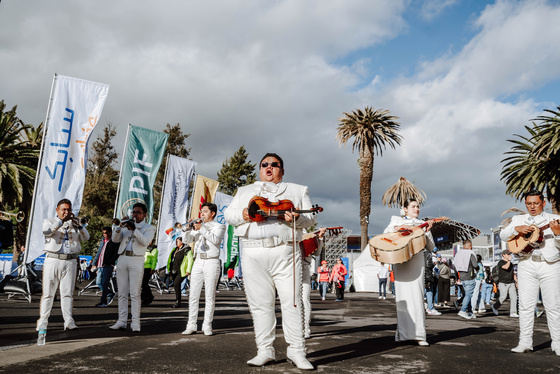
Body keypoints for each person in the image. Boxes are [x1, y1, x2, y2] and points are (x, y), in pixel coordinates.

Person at [224, 153, 315, 370]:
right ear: (260, 169)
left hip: (285, 251)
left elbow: (311, 217)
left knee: (292, 301)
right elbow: (229, 215)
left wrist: (297, 218)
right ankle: (265, 350)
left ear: (282, 170)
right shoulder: (245, 191)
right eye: (265, 164)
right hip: (252, 252)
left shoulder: (297, 190)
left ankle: (297, 350)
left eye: (275, 165)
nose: (269, 168)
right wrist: (245, 214)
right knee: (260, 304)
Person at [499, 190, 560, 354]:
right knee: (525, 305)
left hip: (551, 265)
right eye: (528, 203)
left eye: (536, 203)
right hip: (526, 264)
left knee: (553, 306)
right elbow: (503, 235)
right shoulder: (518, 219)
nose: (532, 207)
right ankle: (525, 342)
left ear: (543, 203)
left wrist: (557, 235)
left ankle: (558, 343)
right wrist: (516, 229)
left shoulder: (556, 220)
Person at [383, 198, 435, 346]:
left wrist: (428, 232)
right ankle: (403, 334)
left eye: (418, 206)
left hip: (417, 262)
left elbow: (431, 247)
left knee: (418, 297)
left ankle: (420, 335)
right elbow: (386, 235)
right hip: (401, 262)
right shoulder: (396, 220)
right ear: (405, 209)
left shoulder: (422, 224)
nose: (417, 209)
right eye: (413, 206)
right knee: (403, 298)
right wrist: (398, 229)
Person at [37, 198, 90, 331]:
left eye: (69, 209)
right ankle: (43, 321)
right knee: (48, 293)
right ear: (57, 210)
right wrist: (61, 222)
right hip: (52, 260)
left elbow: (86, 238)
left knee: (67, 293)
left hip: (70, 260)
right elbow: (47, 231)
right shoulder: (49, 221)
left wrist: (80, 226)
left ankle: (68, 321)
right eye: (64, 209)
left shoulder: (75, 224)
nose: (66, 212)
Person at [110, 203, 156, 332]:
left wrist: (134, 229)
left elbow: (145, 241)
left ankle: (135, 322)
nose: (135, 214)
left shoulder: (149, 228)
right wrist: (119, 227)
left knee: (135, 293)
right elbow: (114, 239)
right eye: (134, 212)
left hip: (137, 259)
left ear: (144, 214)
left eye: (138, 212)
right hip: (123, 258)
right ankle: (121, 320)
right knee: (122, 292)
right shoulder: (125, 225)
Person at [182, 202, 224, 335]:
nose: (202, 214)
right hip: (198, 261)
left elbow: (215, 239)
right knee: (193, 294)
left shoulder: (219, 226)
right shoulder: (198, 227)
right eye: (201, 211)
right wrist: (187, 229)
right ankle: (191, 324)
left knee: (209, 295)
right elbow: (186, 240)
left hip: (212, 261)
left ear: (212, 213)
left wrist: (201, 229)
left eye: (205, 211)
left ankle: (207, 325)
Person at [301, 227, 326, 338]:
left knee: (304, 299)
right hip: (288, 269)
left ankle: (306, 328)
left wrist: (319, 237)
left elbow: (317, 252)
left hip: (304, 267)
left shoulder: (306, 232)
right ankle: (293, 329)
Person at [91, 227, 119, 307]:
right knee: (98, 282)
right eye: (103, 233)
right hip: (100, 265)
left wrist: (110, 262)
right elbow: (99, 252)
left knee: (105, 283)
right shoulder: (103, 241)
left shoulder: (114, 242)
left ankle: (103, 302)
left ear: (110, 233)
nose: (105, 234)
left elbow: (116, 254)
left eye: (106, 232)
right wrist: (94, 263)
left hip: (108, 265)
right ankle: (110, 293)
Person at [454, 240, 479, 319]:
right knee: (468, 295)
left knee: (466, 295)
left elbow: (455, 266)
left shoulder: (458, 253)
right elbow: (475, 265)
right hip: (469, 276)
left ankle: (470, 312)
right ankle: (463, 310)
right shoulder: (470, 253)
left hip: (462, 277)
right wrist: (478, 268)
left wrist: (457, 278)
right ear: (470, 246)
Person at [167, 237, 193, 308]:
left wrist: (188, 270)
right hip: (174, 270)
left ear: (182, 242)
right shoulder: (175, 249)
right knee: (176, 286)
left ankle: (178, 301)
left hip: (182, 271)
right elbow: (170, 259)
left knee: (176, 284)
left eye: (178, 241)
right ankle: (178, 301)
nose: (176, 243)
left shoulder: (186, 250)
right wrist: (169, 269)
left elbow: (190, 260)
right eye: (176, 242)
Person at [491, 250, 518, 317]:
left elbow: (513, 273)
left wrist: (517, 281)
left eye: (510, 254)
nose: (509, 255)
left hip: (511, 282)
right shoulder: (501, 262)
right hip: (503, 282)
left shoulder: (511, 264)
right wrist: (509, 261)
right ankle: (495, 306)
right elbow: (506, 267)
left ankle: (513, 312)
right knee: (503, 297)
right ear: (503, 255)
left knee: (514, 297)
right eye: (508, 254)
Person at [424, 251, 441, 316]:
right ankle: (430, 308)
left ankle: (427, 306)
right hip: (429, 276)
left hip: (423, 276)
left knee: (424, 291)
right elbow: (429, 265)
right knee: (430, 292)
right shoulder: (430, 255)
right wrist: (433, 264)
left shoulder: (422, 254)